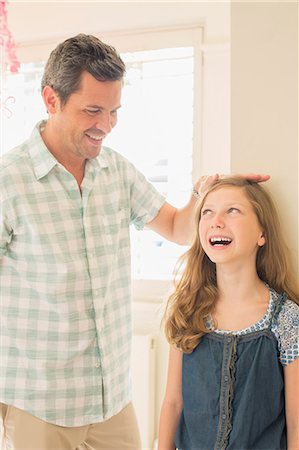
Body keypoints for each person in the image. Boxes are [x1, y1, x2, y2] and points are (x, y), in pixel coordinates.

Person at [0, 33, 269, 450]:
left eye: (113, 111)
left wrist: (212, 193)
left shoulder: (116, 171)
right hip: (41, 403)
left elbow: (179, 229)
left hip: (111, 401)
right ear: (51, 100)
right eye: (92, 110)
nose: (105, 125)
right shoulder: (9, 182)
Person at [158, 176, 299, 450]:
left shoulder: (287, 318)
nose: (216, 221)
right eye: (207, 212)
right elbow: (173, 403)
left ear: (262, 234)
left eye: (232, 210)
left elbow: (296, 422)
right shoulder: (187, 309)